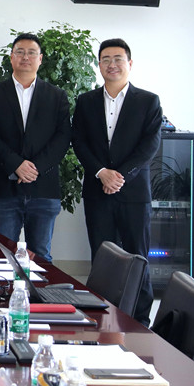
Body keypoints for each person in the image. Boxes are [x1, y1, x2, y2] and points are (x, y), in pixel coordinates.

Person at [72, 38, 162, 325]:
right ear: (99, 65)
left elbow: (149, 146)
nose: (112, 64)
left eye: (118, 59)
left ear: (129, 63)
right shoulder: (86, 102)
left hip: (134, 193)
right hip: (97, 191)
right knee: (102, 258)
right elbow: (79, 142)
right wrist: (101, 172)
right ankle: (102, 316)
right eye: (106, 59)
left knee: (138, 257)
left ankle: (140, 320)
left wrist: (120, 176)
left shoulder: (148, 101)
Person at [0, 33, 71, 262]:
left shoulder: (57, 96)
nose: (25, 57)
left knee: (41, 255)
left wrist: (34, 168)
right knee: (2, 255)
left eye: (31, 52)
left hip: (44, 188)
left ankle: (39, 290)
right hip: (5, 187)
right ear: (11, 57)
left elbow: (62, 138)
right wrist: (16, 164)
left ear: (40, 59)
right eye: (20, 52)